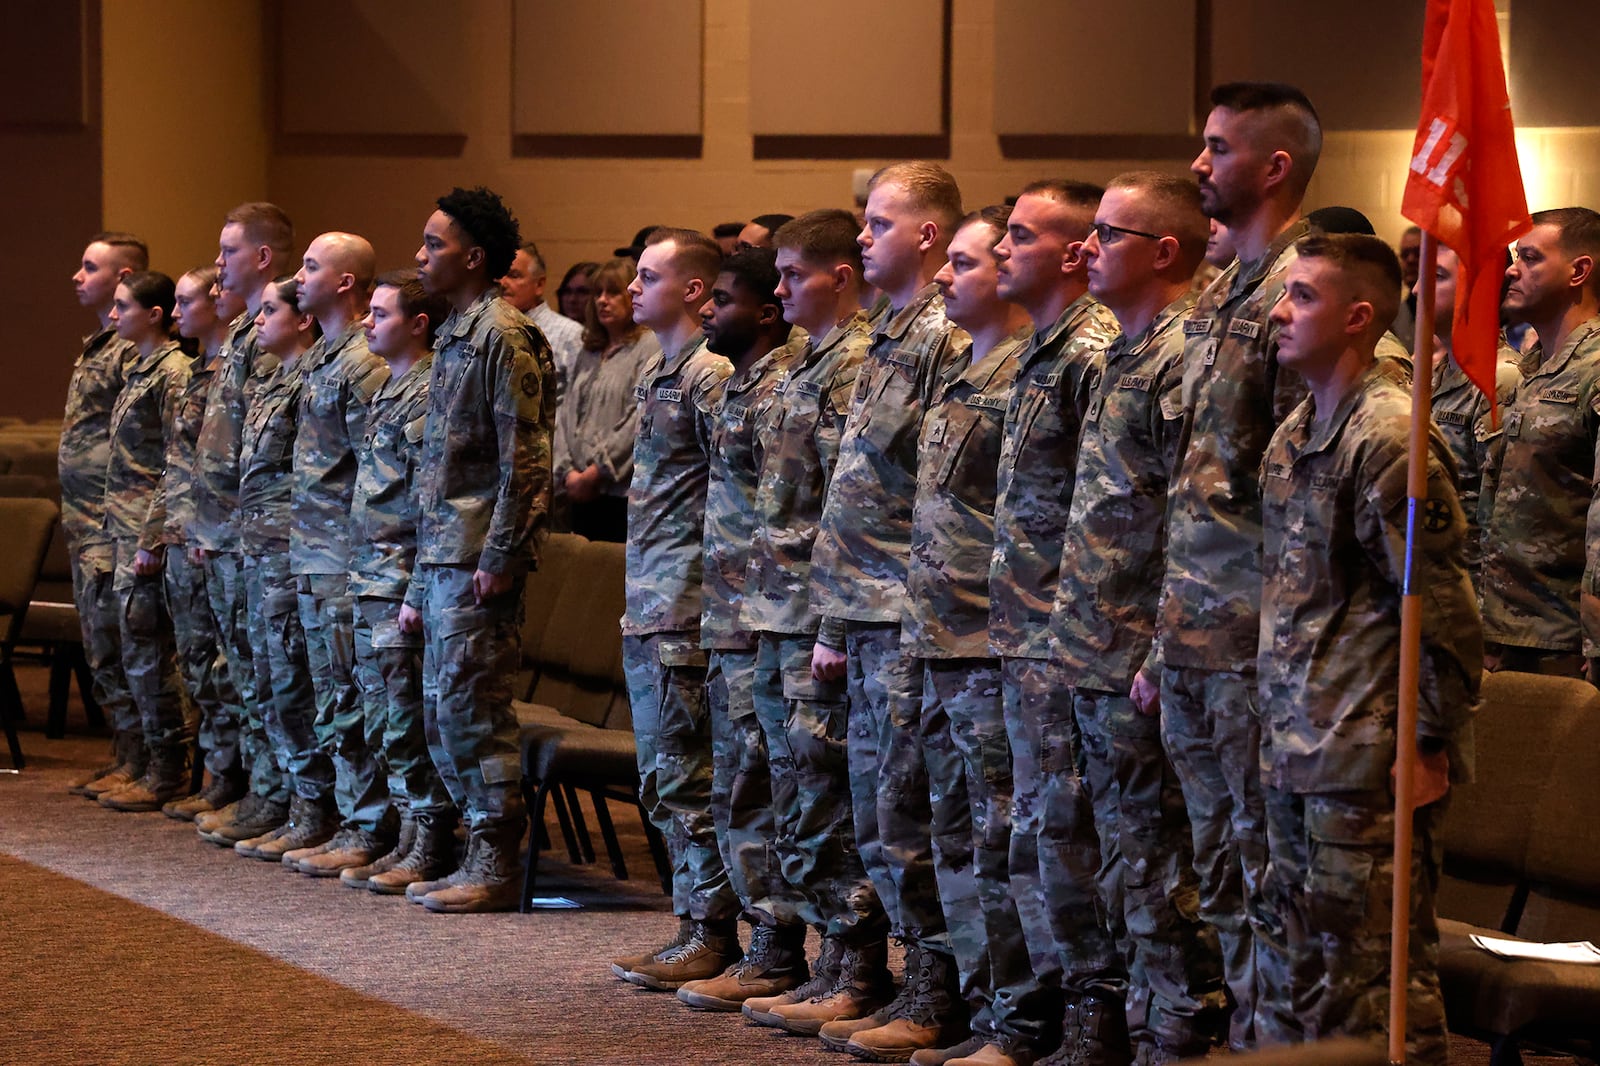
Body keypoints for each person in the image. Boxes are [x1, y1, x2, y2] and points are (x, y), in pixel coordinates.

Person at [1256, 233, 1480, 1062]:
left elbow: (1445, 609)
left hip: (1367, 755)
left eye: (1303, 297)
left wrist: (1426, 742)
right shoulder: (1296, 429)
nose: (1280, 312)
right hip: (1298, 744)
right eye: (1284, 292)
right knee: (1307, 972)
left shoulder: (1391, 438)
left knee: (1383, 980)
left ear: (1358, 317)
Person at [1154, 82, 1322, 1050]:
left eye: (1215, 148)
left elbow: (1304, 489)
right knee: (1218, 870)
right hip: (1192, 633)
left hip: (1255, 644)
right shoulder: (1223, 292)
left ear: (1273, 166)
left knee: (1271, 878)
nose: (1197, 165)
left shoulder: (1300, 294)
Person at [1052, 172, 1228, 1065]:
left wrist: (1160, 651)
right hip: (1090, 648)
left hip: (1140, 659)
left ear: (1164, 252)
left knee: (1158, 867)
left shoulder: (1185, 357)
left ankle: (1181, 1035)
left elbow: (1196, 525)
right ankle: (1134, 1029)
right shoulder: (1118, 353)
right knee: (1115, 860)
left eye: (1108, 235)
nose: (1086, 249)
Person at [808, 161, 971, 1060]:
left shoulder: (948, 337)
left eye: (876, 224)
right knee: (878, 814)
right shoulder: (891, 336)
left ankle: (937, 990)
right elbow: (859, 491)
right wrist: (835, 620)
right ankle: (897, 977)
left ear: (927, 235)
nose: (862, 238)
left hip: (911, 616)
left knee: (913, 815)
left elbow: (939, 497)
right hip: (863, 610)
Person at [736, 210, 887, 1031]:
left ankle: (856, 966)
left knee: (824, 796)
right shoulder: (804, 363)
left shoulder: (855, 362)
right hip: (778, 607)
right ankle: (819, 957)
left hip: (816, 613)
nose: (780, 287)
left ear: (840, 275)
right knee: (792, 791)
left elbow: (848, 504)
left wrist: (831, 620)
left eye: (794, 274)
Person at [986, 179, 1122, 1066]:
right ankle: (1041, 1021)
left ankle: (1091, 1025)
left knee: (1067, 838)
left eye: (1018, 236)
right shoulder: (1040, 350)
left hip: (1064, 639)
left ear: (1073, 253)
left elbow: (1104, 511)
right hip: (1020, 632)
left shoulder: (1090, 353)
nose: (1001, 250)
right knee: (1030, 836)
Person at [902, 206, 1036, 1066]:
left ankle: (1017, 1019)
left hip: (991, 645)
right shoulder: (961, 369)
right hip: (938, 638)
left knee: (999, 840)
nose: (944, 277)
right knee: (952, 834)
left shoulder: (1037, 370)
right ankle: (980, 1010)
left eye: (963, 260)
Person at [401, 186, 553, 912]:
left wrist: (499, 556)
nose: (420, 256)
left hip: (476, 558)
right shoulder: (457, 332)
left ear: (474, 256)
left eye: (434, 244)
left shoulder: (503, 334)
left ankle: (495, 861)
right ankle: (472, 849)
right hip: (443, 553)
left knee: (475, 710)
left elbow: (522, 460)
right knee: (442, 710)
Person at [675, 248, 806, 1010]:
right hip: (728, 617)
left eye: (721, 301)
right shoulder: (735, 389)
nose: (706, 312)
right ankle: (764, 942)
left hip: (765, 619)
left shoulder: (779, 389)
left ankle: (781, 947)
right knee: (737, 790)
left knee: (769, 789)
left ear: (763, 312)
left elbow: (785, 516)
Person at [612, 228, 739, 986]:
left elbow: (731, 494)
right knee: (664, 779)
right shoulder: (659, 370)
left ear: (694, 290)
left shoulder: (709, 375)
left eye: (649, 275)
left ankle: (711, 930)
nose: (632, 286)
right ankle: (693, 921)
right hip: (651, 601)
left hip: (685, 608)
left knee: (689, 778)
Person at [282, 232, 396, 876]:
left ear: (346, 282)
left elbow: (373, 472)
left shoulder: (362, 363)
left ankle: (369, 823)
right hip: (313, 550)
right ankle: (349, 816)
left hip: (345, 559)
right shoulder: (322, 357)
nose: (299, 276)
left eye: (311, 266)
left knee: (352, 698)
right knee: (329, 695)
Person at [341, 269, 458, 895]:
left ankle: (431, 835)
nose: (367, 322)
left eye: (380, 314)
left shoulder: (429, 391)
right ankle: (410, 830)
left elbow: (430, 502)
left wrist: (416, 588)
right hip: (371, 573)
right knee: (384, 712)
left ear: (417, 324)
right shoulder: (389, 389)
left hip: (401, 576)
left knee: (408, 715)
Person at [192, 203, 299, 848]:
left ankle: (279, 795)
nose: (219, 263)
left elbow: (274, 449)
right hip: (230, 531)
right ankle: (264, 791)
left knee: (271, 670)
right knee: (245, 667)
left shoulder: (278, 330)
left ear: (261, 257)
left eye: (229, 251)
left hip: (263, 531)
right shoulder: (242, 332)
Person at [231, 276, 327, 863]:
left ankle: (316, 807)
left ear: (302, 320)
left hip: (298, 555)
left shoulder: (315, 379)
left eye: (270, 311)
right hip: (261, 553)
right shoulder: (269, 379)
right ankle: (292, 801)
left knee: (295, 684)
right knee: (270, 682)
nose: (258, 321)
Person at [1480, 208, 1600, 679]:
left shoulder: (1593, 369)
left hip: (1564, 644)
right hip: (1502, 635)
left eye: (1530, 258)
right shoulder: (1529, 371)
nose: (1511, 269)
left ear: (1578, 271)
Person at [96, 271, 196, 812]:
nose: (113, 317)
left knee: (152, 655)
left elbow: (175, 463)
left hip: (147, 532)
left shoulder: (173, 373)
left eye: (122, 307)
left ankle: (169, 768)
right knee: (133, 651)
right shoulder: (139, 368)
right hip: (122, 527)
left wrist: (154, 536)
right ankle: (142, 761)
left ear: (153, 314)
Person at [162, 267, 248, 820]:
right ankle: (220, 775)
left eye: (185, 301)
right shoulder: (198, 372)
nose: (177, 313)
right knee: (199, 663)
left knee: (227, 666)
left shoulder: (232, 369)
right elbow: (180, 465)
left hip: (221, 537)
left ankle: (233, 781)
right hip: (187, 532)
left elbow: (231, 467)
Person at [61, 232, 145, 799]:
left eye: (90, 267)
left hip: (112, 520)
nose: (76, 275)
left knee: (125, 642)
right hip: (85, 519)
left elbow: (138, 442)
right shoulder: (100, 342)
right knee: (100, 643)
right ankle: (127, 753)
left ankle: (148, 763)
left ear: (125, 276)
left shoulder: (130, 348)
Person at [1427, 247, 1521, 591]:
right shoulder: (1437, 373)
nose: (1419, 290)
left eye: (1436, 277)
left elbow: (1498, 518)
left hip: (1470, 596)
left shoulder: (1500, 380)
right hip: (1435, 587)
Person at [552, 258, 660, 542]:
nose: (602, 300)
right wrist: (566, 471)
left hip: (616, 490)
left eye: (612, 293)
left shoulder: (648, 346)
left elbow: (639, 417)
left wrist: (596, 471)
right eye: (597, 293)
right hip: (575, 487)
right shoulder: (588, 350)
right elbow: (566, 414)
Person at [502, 241, 584, 404]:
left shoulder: (570, 333)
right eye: (500, 275)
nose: (502, 283)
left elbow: (582, 401)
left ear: (539, 284)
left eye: (514, 275)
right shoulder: (494, 330)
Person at [1393, 224, 1423, 350]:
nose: (1410, 260)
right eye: (1405, 254)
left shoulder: (1446, 313)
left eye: (1418, 253)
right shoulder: (1394, 315)